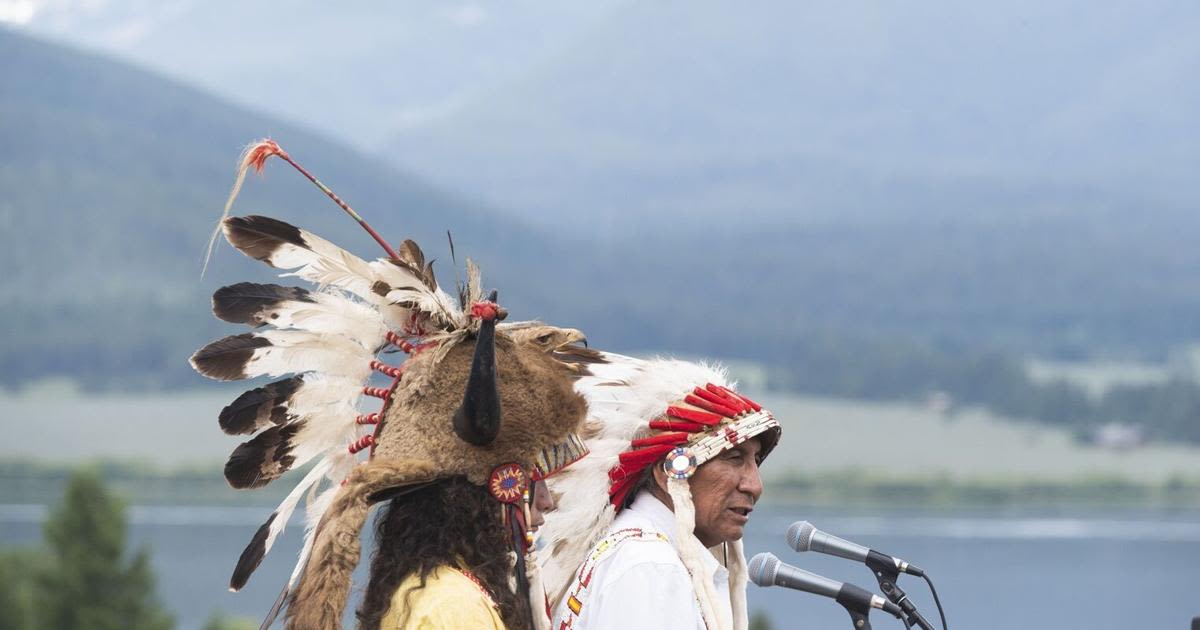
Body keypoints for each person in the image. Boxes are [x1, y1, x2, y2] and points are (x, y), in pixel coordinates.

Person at [189, 139, 592, 630]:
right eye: (533, 480)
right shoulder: (453, 607)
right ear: (486, 491)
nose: (548, 502)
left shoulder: (439, 591)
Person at [539, 354, 783, 630]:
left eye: (755, 460)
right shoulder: (651, 564)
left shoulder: (640, 552)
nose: (754, 485)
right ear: (668, 474)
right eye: (734, 458)